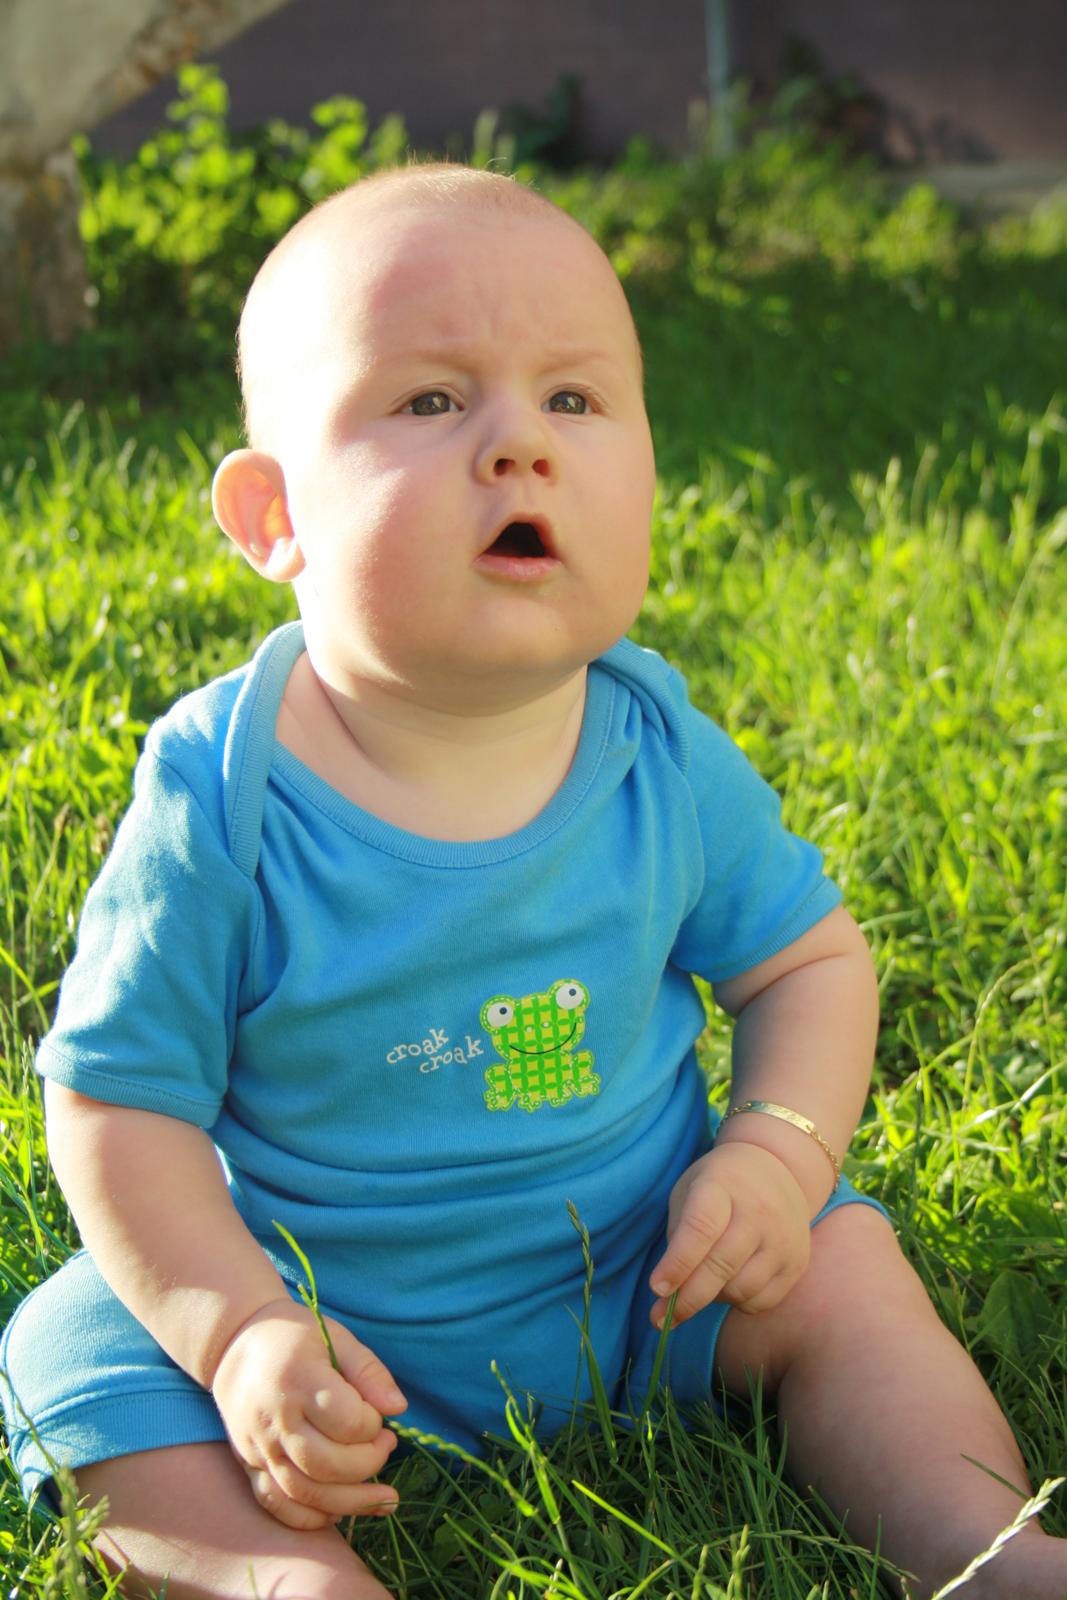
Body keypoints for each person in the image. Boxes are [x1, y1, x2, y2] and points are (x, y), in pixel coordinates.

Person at [2, 163, 1064, 1600]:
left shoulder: (654, 751)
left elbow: (807, 962)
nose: (520, 448)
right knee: (73, 1350)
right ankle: (286, 1579)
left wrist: (774, 1154)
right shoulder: (223, 794)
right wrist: (239, 1333)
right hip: (319, 1314)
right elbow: (119, 1103)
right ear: (272, 518)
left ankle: (987, 1552)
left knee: (839, 1260)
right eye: (431, 400)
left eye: (573, 398)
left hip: (644, 1277)